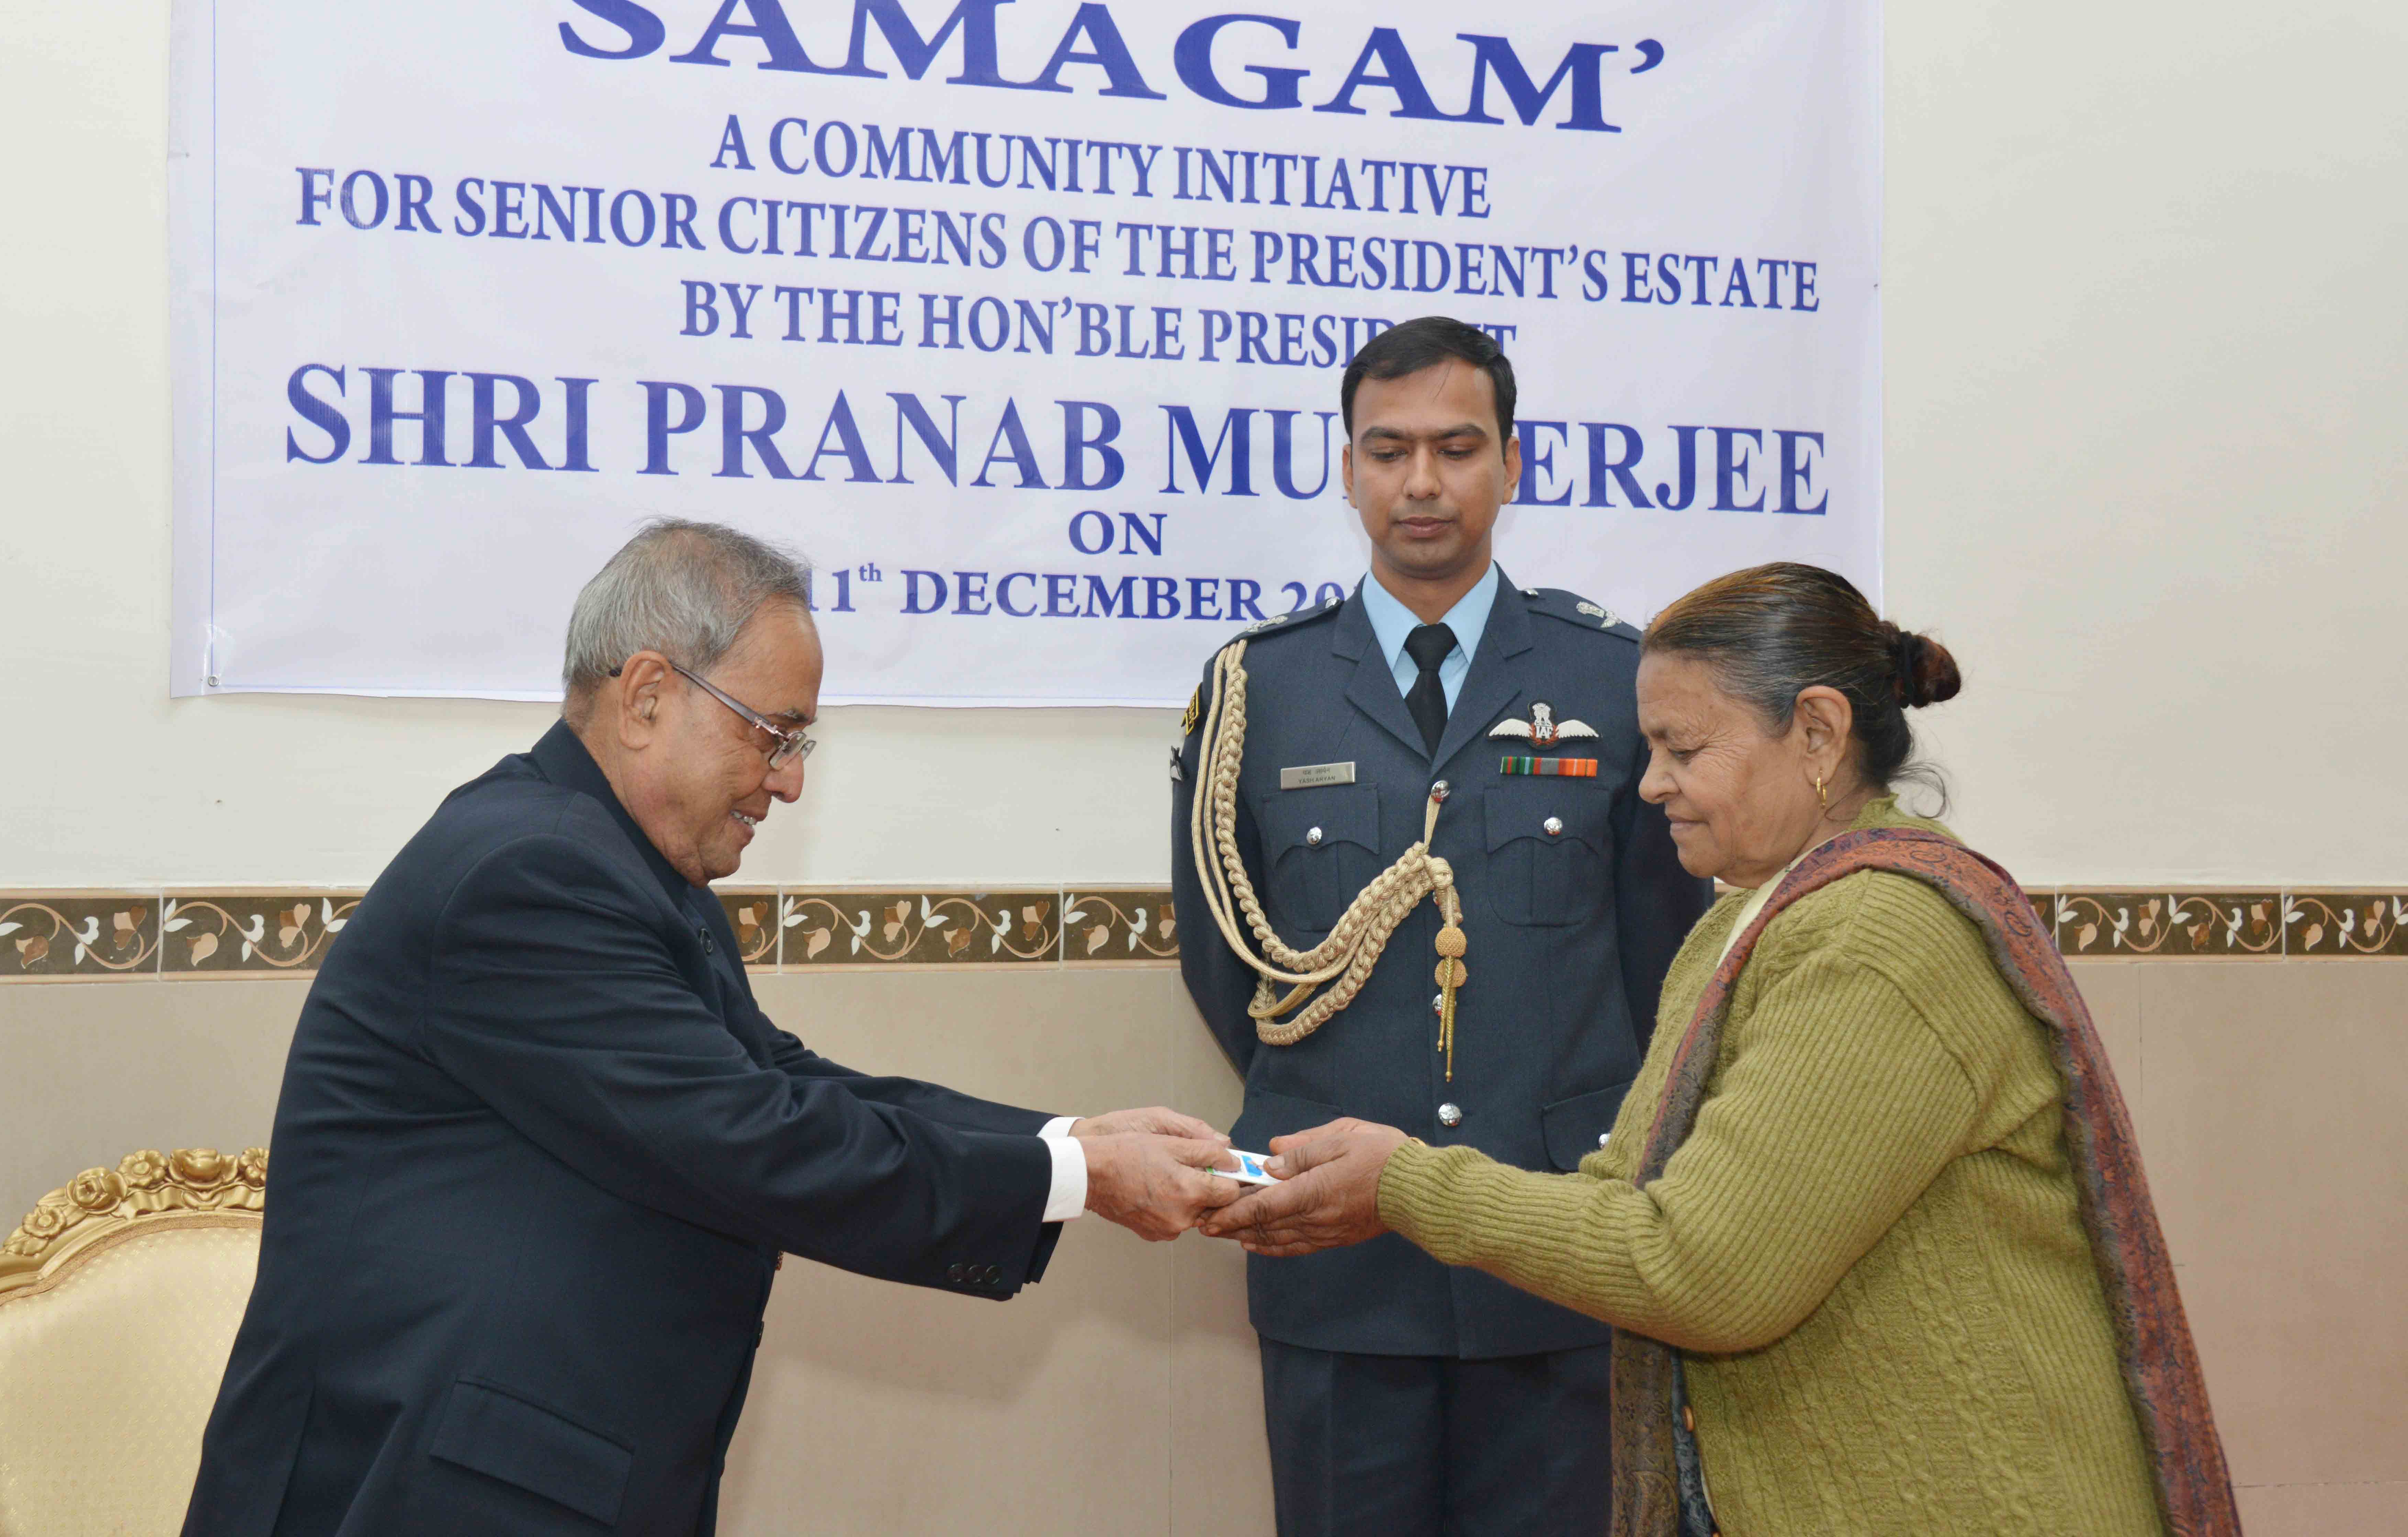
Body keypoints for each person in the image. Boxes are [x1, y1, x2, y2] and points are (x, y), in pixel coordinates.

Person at [184, 519, 1239, 1537]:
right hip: (428, 1484)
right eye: (773, 733)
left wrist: (1069, 1144)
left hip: (537, 1467)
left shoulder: (619, 860)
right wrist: (1076, 1181)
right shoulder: (532, 876)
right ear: (647, 695)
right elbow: (753, 1137)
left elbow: (781, 1082)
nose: (788, 780)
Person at [1204, 562, 2240, 1537]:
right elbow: (1623, 1197)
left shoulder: (1883, 940)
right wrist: (1387, 1178)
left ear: (1820, 733)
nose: (1650, 785)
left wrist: (1409, 1188)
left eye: (1684, 750)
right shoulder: (1746, 922)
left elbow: (1698, 1268)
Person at [1172, 317, 1715, 1537]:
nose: (1422, 482)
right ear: (1348, 467)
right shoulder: (1260, 688)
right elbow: (1229, 968)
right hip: (1333, 1260)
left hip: (1552, 1242)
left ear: (1512, 464)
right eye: (1389, 449)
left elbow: (1662, 962)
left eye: (1457, 447)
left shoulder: (1611, 686)